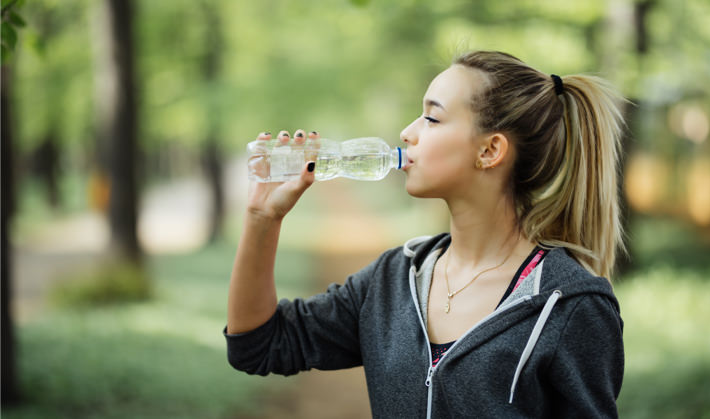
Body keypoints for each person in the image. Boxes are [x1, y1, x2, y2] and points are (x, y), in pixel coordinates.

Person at [224, 50, 625, 418]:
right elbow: (257, 345)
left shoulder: (569, 305)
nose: (407, 132)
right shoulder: (393, 280)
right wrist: (263, 218)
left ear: (489, 151)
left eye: (431, 118)